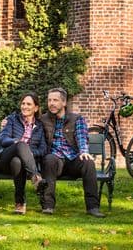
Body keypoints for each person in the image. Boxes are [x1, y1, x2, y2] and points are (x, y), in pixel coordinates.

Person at [38, 87, 105, 218]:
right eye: (49, 100)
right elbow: (26, 123)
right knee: (49, 159)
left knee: (88, 162)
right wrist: (6, 122)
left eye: (55, 100)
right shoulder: (43, 119)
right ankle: (48, 206)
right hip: (55, 162)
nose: (51, 103)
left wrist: (84, 151)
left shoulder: (76, 119)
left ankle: (93, 207)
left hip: (72, 160)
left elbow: (81, 136)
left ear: (64, 103)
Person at [0, 92, 47, 214]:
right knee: (21, 145)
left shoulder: (40, 126)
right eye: (23, 103)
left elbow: (43, 149)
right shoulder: (12, 120)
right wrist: (16, 142)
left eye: (29, 104)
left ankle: (20, 203)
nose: (25, 106)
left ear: (36, 108)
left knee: (17, 161)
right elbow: (3, 139)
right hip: (5, 160)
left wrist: (28, 153)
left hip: (22, 163)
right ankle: (36, 178)